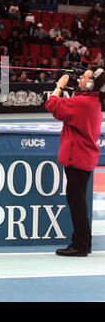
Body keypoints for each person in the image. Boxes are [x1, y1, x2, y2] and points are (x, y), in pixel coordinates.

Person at [45, 67, 105, 256]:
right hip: (82, 157)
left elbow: (52, 105)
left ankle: (80, 244)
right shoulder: (90, 101)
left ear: (90, 84)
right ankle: (83, 242)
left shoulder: (83, 103)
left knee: (77, 202)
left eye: (84, 77)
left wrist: (59, 87)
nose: (79, 78)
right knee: (78, 201)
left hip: (77, 157)